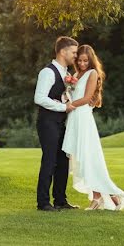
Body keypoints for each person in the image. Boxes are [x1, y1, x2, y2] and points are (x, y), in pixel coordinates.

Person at [62, 44, 124, 211]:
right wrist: (66, 94)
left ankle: (100, 197)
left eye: (86, 60)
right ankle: (107, 197)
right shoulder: (76, 74)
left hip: (83, 117)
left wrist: (69, 105)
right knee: (82, 160)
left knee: (88, 158)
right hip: (74, 118)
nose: (83, 63)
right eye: (80, 60)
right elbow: (72, 93)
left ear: (91, 60)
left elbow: (86, 98)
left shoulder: (92, 73)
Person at [34, 36, 80, 211]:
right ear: (63, 51)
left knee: (63, 160)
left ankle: (60, 200)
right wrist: (63, 107)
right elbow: (39, 98)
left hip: (61, 122)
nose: (76, 56)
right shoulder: (48, 72)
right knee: (50, 160)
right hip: (47, 122)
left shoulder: (67, 74)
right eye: (74, 52)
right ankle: (43, 202)